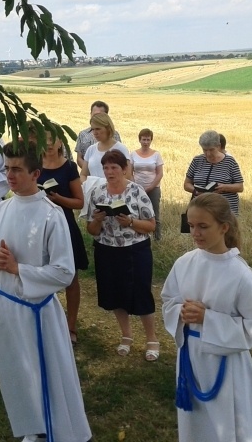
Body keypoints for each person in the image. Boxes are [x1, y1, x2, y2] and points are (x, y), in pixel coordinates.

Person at [0, 141, 92, 442]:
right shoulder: (0, 210)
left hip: (35, 311)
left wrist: (17, 268)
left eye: (17, 169)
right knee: (15, 372)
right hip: (3, 307)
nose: (9, 176)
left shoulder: (51, 215)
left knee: (46, 374)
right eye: (7, 168)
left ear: (35, 173)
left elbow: (64, 272)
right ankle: (31, 428)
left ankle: (55, 428)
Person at [161, 192, 252, 442]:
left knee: (224, 423)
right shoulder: (184, 263)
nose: (195, 233)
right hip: (190, 356)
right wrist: (181, 312)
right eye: (191, 226)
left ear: (224, 227)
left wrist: (207, 318)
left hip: (225, 360)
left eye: (203, 226)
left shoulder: (240, 274)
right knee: (195, 426)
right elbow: (169, 299)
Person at [86, 149, 159, 360]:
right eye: (106, 168)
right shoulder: (98, 192)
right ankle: (126, 335)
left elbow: (151, 225)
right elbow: (92, 230)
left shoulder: (136, 191)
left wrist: (131, 222)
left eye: (114, 167)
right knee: (114, 293)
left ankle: (152, 339)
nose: (109, 172)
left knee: (141, 293)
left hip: (135, 250)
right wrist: (98, 220)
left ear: (125, 169)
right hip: (107, 250)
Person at [39, 131, 88, 345]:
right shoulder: (34, 164)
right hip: (39, 226)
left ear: (61, 142)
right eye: (45, 140)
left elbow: (79, 202)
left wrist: (58, 199)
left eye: (53, 140)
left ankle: (70, 327)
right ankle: (46, 322)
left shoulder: (68, 167)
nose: (49, 144)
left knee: (71, 277)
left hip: (64, 225)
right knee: (40, 274)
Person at [183, 130, 244, 215]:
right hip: (201, 209)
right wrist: (197, 192)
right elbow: (186, 184)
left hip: (224, 210)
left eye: (211, 150)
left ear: (218, 146)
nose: (208, 154)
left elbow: (240, 187)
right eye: (205, 150)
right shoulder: (197, 160)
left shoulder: (230, 162)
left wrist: (224, 187)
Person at [132, 128, 164, 241]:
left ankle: (157, 239)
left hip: (153, 189)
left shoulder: (156, 155)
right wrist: (135, 186)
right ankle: (140, 237)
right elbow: (129, 172)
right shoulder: (133, 154)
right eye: (144, 139)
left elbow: (160, 173)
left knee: (155, 213)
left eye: (148, 140)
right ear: (139, 140)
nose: (146, 142)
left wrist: (151, 187)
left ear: (151, 140)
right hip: (137, 189)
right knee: (137, 213)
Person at [80, 112, 131, 181]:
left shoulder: (121, 148)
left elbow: (127, 175)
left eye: (98, 129)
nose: (95, 132)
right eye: (93, 129)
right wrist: (88, 185)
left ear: (108, 128)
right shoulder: (91, 149)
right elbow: (83, 175)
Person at [74, 100, 120, 170]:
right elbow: (79, 158)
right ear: (90, 114)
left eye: (100, 115)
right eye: (94, 115)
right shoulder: (83, 134)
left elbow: (120, 158)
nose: (96, 118)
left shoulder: (115, 134)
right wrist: (90, 170)